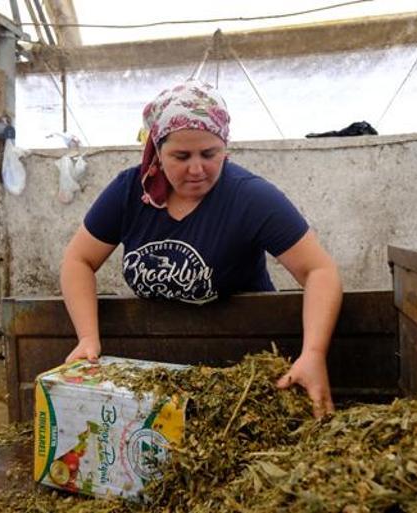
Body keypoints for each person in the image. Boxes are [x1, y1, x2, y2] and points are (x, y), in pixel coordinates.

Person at [60, 80, 343, 417]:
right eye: (181, 156)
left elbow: (320, 271)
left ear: (225, 146)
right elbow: (78, 259)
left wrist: (313, 352)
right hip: (160, 365)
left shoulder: (250, 198)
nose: (197, 169)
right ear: (157, 151)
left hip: (241, 371)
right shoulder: (129, 192)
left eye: (210, 154)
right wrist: (88, 339)